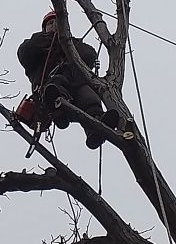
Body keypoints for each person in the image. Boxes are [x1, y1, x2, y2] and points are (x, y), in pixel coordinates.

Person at [17, 10, 119, 149]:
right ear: (44, 28)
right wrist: (48, 40)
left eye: (57, 23)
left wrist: (66, 43)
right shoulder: (35, 45)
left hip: (76, 87)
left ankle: (96, 128)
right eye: (51, 23)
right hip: (50, 88)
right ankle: (58, 107)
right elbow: (25, 52)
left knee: (88, 95)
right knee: (57, 82)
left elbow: (89, 55)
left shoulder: (74, 44)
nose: (54, 25)